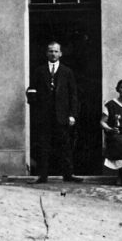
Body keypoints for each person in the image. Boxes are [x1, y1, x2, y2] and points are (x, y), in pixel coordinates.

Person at [30, 41, 81, 183]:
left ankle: (68, 175)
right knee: (43, 145)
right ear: (47, 53)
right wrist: (36, 108)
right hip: (44, 115)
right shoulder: (39, 71)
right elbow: (32, 90)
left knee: (65, 145)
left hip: (62, 115)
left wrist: (72, 114)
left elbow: (73, 95)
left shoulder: (67, 72)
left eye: (56, 51)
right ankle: (43, 176)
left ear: (61, 54)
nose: (53, 54)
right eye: (51, 51)